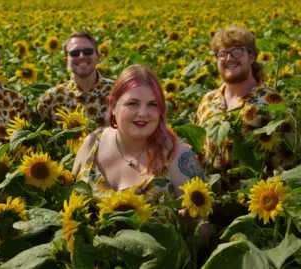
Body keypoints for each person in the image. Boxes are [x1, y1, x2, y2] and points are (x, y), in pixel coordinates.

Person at [73, 64, 205, 201]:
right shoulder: (93, 143)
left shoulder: (177, 155)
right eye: (133, 103)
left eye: (152, 104)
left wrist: (188, 220)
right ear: (113, 107)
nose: (142, 113)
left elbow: (201, 219)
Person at [195, 25, 294, 192]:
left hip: (256, 206)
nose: (228, 58)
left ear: (252, 57)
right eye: (222, 53)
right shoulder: (208, 102)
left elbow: (287, 162)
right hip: (207, 207)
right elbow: (197, 151)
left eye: (236, 52)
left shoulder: (272, 103)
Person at [38, 31, 114, 128]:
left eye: (88, 51)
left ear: (98, 57)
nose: (81, 56)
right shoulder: (52, 98)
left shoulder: (117, 92)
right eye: (74, 53)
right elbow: (43, 139)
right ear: (66, 61)